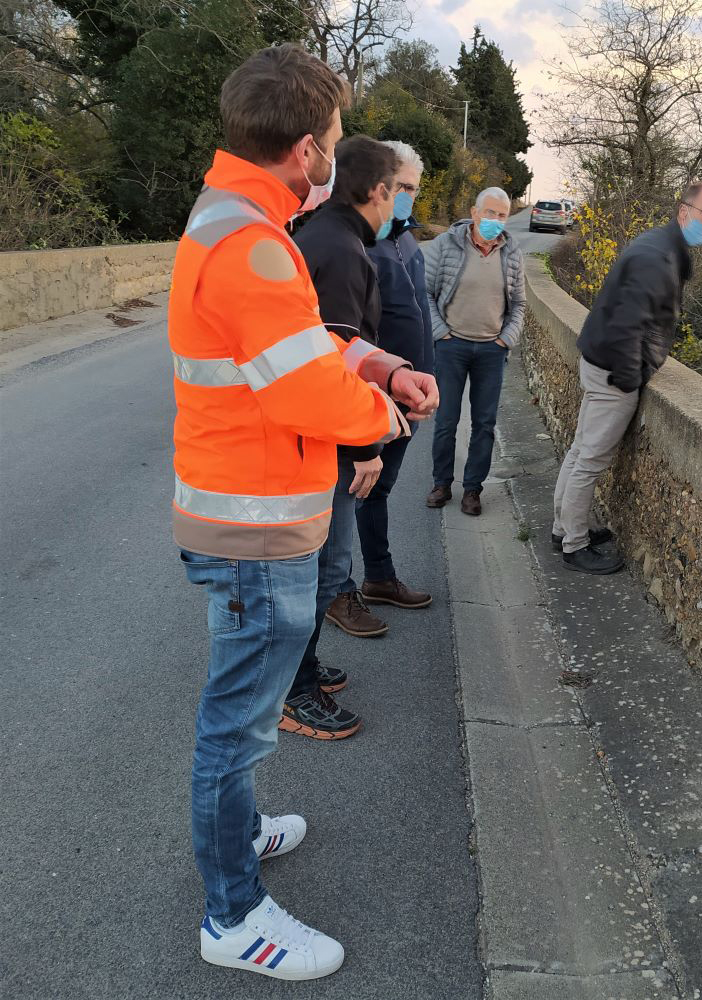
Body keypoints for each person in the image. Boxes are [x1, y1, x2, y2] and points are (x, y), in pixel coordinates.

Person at [169, 44, 437, 980]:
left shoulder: (243, 219)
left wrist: (378, 364)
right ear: (306, 150)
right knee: (237, 725)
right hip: (252, 525)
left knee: (240, 714)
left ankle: (238, 832)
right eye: (332, 135)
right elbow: (306, 392)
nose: (335, 150)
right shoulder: (250, 242)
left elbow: (304, 344)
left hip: (251, 515)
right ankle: (233, 918)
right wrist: (387, 413)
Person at [278, 135, 405, 739]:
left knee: (319, 569)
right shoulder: (342, 250)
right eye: (398, 190)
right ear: (377, 191)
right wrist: (364, 447)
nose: (399, 202)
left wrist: (394, 377)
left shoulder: (325, 237)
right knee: (321, 572)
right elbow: (330, 362)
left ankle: (300, 670)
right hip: (325, 442)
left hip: (318, 436)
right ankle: (294, 689)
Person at [553, 181, 702, 575]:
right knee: (589, 459)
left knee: (581, 451)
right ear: (684, 211)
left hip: (600, 360)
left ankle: (562, 528)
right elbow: (628, 323)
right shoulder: (658, 257)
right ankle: (573, 545)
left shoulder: (659, 245)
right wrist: (633, 377)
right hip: (614, 370)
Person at [355, 140, 436, 606]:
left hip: (409, 394)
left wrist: (427, 378)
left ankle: (378, 577)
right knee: (356, 488)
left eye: (414, 188)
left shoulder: (406, 239)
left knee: (379, 489)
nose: (407, 195)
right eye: (400, 185)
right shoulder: (361, 242)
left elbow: (419, 312)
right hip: (374, 392)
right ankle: (339, 590)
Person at [424, 187, 525, 516]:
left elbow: (519, 304)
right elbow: (424, 293)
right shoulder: (446, 245)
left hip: (491, 351)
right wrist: (441, 334)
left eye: (502, 215)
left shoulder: (511, 252)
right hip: (451, 346)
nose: (495, 219)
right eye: (490, 212)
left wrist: (505, 339)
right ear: (474, 212)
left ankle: (472, 489)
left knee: (484, 424)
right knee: (446, 420)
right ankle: (441, 484)